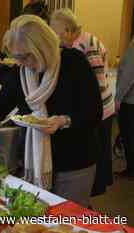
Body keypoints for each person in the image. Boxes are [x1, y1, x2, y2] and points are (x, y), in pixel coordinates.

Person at [0, 15, 103, 207]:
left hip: (75, 161)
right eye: (16, 57)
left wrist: (63, 121)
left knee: (69, 221)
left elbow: (94, 112)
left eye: (25, 56)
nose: (21, 62)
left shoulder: (73, 62)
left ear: (42, 47)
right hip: (35, 162)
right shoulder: (21, 73)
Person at [50, 8, 115, 196]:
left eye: (57, 33)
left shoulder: (84, 44)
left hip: (101, 108)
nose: (56, 39)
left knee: (96, 156)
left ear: (69, 30)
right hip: (99, 108)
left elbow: (98, 84)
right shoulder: (82, 41)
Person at [115, 38, 134, 179]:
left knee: (129, 136)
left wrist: (118, 99)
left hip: (130, 102)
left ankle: (131, 170)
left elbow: (128, 75)